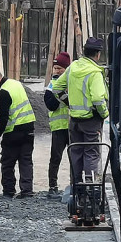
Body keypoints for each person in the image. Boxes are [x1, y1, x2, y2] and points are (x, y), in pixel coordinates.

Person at [53, 37, 108, 183]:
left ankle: (76, 187)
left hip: (74, 121)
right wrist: (104, 113)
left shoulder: (73, 67)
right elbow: (97, 99)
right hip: (91, 121)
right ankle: (89, 188)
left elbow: (57, 88)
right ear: (98, 54)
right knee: (91, 153)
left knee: (76, 153)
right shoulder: (95, 72)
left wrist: (69, 103)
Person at [0, 67, 36, 198]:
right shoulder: (16, 84)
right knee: (26, 161)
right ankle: (27, 191)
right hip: (29, 128)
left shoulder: (3, 92)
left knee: (7, 162)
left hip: (14, 132)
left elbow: (3, 118)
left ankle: (8, 191)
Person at [44, 52, 71, 195]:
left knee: (75, 158)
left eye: (60, 68)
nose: (56, 71)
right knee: (55, 158)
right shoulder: (51, 85)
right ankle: (52, 186)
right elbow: (51, 105)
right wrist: (60, 93)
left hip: (72, 126)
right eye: (55, 68)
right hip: (58, 127)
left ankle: (75, 185)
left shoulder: (72, 83)